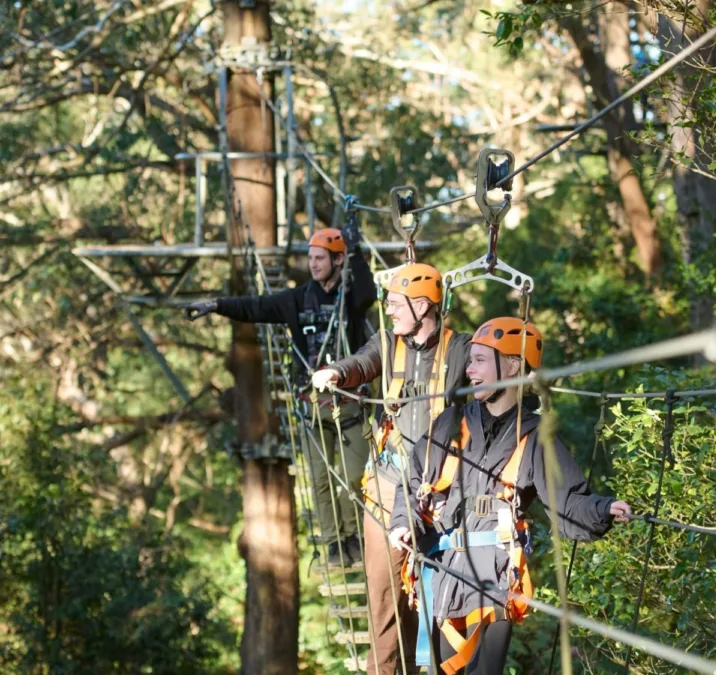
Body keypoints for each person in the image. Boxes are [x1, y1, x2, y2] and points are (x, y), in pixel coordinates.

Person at [387, 317, 632, 675]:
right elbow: (413, 479)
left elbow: (568, 503)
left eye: (480, 361)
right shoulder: (452, 422)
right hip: (444, 569)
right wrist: (402, 520)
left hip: (496, 573)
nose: (470, 371)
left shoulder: (536, 438)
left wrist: (604, 508)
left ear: (513, 365)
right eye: (470, 361)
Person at [312, 263, 473, 675]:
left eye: (397, 304)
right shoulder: (387, 343)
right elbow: (361, 363)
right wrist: (336, 373)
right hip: (388, 483)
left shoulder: (460, 350)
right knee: (385, 597)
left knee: (441, 598)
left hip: (441, 490)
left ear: (423, 306)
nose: (390, 311)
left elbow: (490, 376)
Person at [185, 226, 375, 565]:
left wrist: (357, 252)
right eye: (310, 258)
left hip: (351, 403)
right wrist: (215, 305)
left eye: (320, 259)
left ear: (338, 260)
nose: (313, 265)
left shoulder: (351, 298)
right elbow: (256, 307)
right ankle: (334, 544)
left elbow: (368, 292)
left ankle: (354, 538)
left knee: (352, 478)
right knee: (319, 479)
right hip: (313, 403)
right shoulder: (297, 299)